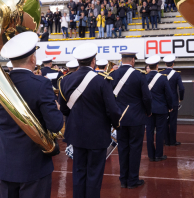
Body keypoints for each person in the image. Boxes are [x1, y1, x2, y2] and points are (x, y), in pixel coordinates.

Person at [0, 32, 63, 198]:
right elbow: (55, 125)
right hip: (33, 166)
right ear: (33, 58)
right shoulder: (41, 84)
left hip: (5, 164)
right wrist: (56, 109)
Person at [58, 43, 121, 198]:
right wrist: (116, 124)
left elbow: (65, 109)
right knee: (94, 174)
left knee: (78, 171)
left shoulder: (65, 80)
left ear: (78, 61)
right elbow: (112, 110)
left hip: (76, 134)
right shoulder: (102, 80)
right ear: (93, 61)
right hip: (97, 135)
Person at [110, 51, 152, 189]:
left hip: (119, 118)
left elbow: (109, 98)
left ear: (121, 59)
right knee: (135, 148)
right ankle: (132, 179)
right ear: (133, 60)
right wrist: (148, 111)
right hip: (136, 118)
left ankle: (123, 179)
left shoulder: (112, 75)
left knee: (122, 148)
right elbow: (146, 97)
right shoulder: (139, 75)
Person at [145, 55, 173, 162]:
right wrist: (170, 107)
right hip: (161, 109)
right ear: (157, 66)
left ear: (149, 66)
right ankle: (159, 155)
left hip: (148, 110)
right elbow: (169, 95)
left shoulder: (144, 78)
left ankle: (151, 155)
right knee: (160, 132)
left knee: (149, 132)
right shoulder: (163, 78)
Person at [160, 55, 185, 146]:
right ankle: (173, 141)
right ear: (173, 64)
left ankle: (166, 140)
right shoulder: (177, 74)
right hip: (174, 100)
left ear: (165, 64)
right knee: (173, 121)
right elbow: (181, 88)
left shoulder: (161, 73)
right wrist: (181, 98)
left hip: (163, 101)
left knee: (164, 121)